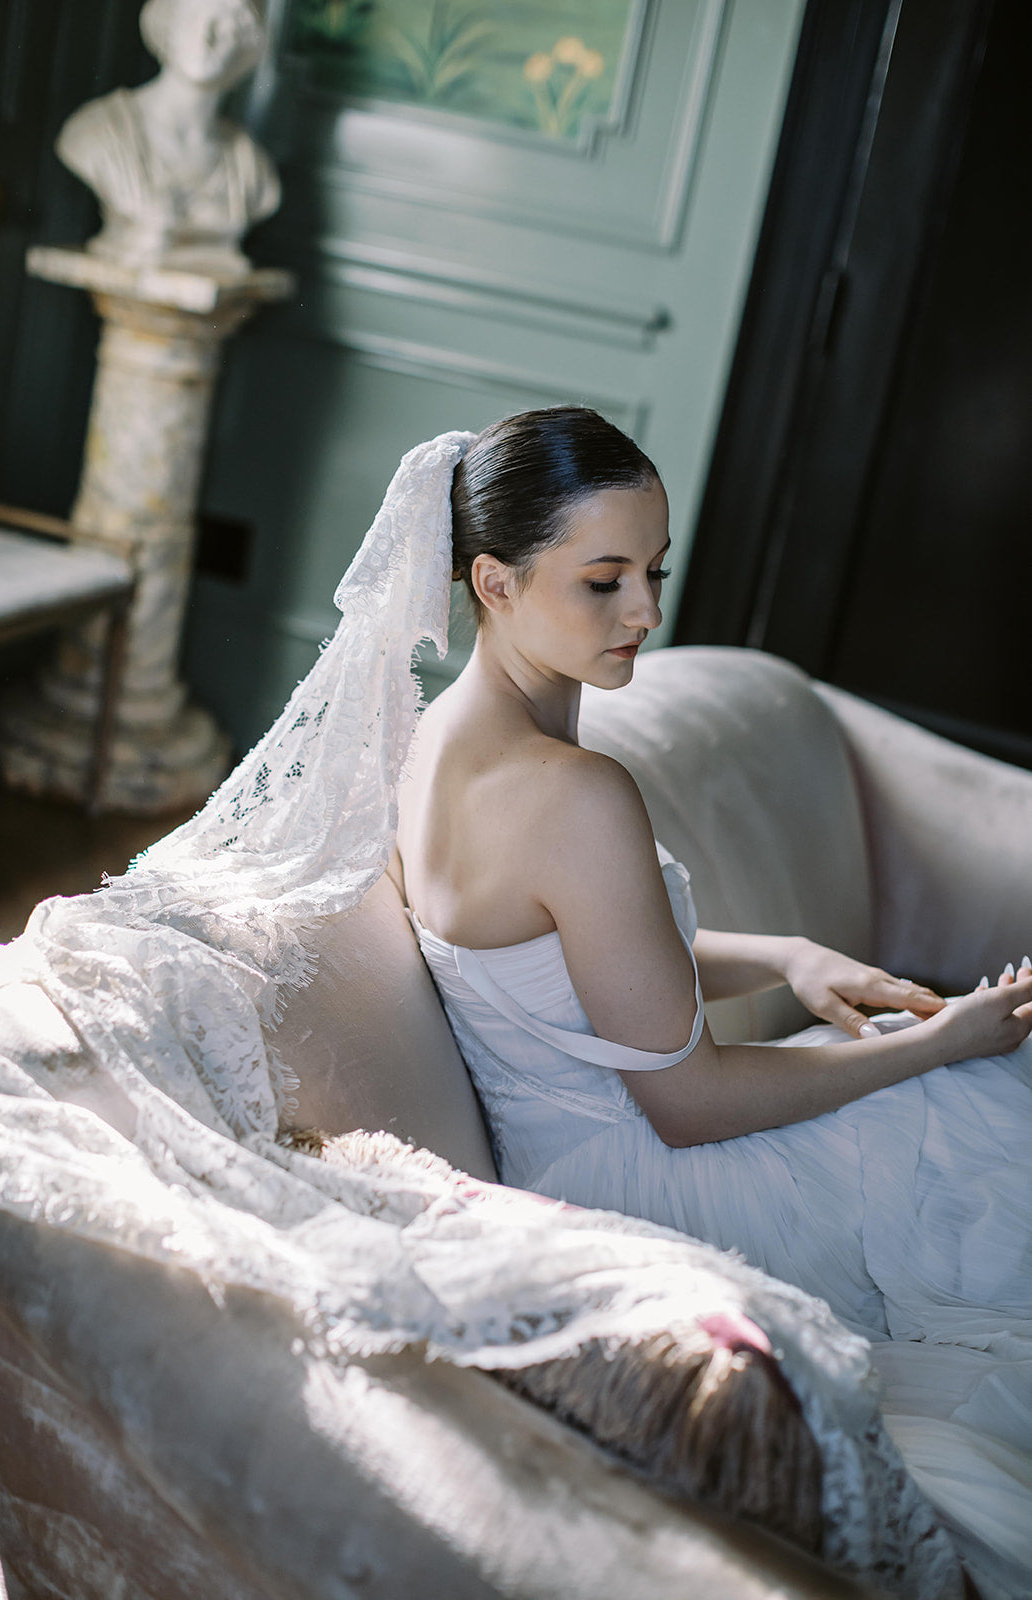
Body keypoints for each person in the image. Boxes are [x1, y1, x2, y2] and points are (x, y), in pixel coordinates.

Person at [391, 406, 1032, 1596]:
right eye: (604, 580)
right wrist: (937, 1037)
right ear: (493, 578)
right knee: (979, 1101)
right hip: (652, 1178)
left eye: (653, 572)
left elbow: (563, 963)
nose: (644, 612)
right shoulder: (570, 789)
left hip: (579, 1147)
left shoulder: (450, 736)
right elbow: (686, 1101)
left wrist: (782, 953)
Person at [56, 0, 279, 273]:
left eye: (224, 23)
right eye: (192, 17)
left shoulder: (249, 162)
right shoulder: (96, 132)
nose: (205, 35)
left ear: (246, 41)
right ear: (168, 26)